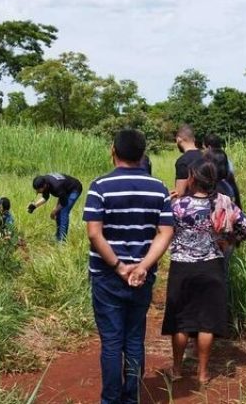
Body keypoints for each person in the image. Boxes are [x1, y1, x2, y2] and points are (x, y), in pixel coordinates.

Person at [83, 129, 174, 404]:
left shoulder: (99, 187)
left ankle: (111, 400)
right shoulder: (159, 188)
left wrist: (120, 267)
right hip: (142, 277)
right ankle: (131, 397)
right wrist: (143, 266)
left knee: (112, 342)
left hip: (107, 276)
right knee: (134, 339)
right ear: (142, 154)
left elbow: (94, 233)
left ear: (113, 151)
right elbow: (165, 232)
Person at [162, 159, 246, 384]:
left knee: (181, 321)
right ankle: (203, 373)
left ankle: (176, 370)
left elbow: (162, 230)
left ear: (192, 178)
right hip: (212, 266)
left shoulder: (178, 205)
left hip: (182, 267)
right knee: (206, 322)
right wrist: (229, 240)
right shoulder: (224, 203)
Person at [28, 173, 82, 242]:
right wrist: (34, 206)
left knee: (63, 212)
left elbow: (64, 202)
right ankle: (57, 237)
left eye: (38, 190)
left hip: (74, 189)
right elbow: (45, 197)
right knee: (59, 212)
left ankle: (62, 241)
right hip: (64, 191)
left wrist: (53, 212)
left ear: (44, 186)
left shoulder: (56, 186)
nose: (37, 191)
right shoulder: (45, 181)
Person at [172, 124, 202, 198]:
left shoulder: (183, 161)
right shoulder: (207, 156)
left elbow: (180, 192)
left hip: (191, 204)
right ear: (193, 139)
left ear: (179, 139)